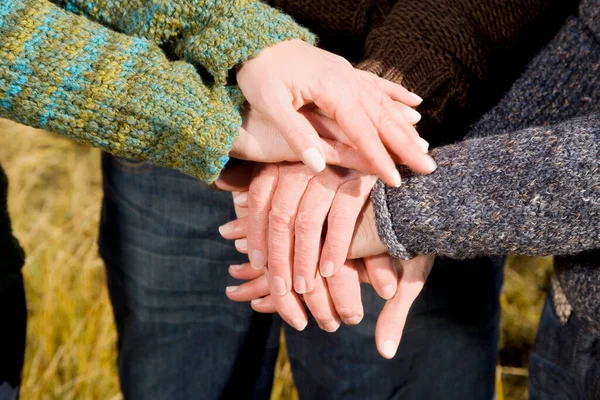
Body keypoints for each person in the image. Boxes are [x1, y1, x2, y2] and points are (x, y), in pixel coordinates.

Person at [99, 0, 579, 399]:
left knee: (390, 373)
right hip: (175, 83)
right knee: (177, 371)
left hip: (424, 103)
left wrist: (377, 111)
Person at [0, 0, 429, 396]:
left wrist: (388, 101)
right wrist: (216, 107)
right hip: (181, 80)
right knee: (184, 366)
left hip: (417, 90)